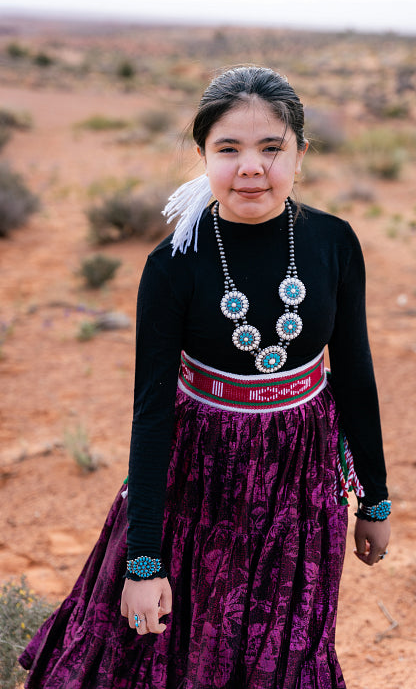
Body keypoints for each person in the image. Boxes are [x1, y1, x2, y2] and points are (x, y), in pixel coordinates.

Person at [19, 66, 390, 689]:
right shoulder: (173, 265)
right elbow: (152, 411)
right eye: (229, 149)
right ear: (203, 156)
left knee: (286, 646)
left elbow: (355, 372)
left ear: (300, 152)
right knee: (176, 646)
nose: (252, 167)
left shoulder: (334, 242)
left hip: (302, 479)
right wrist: (143, 562)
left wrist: (373, 498)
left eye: (272, 148)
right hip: (197, 477)